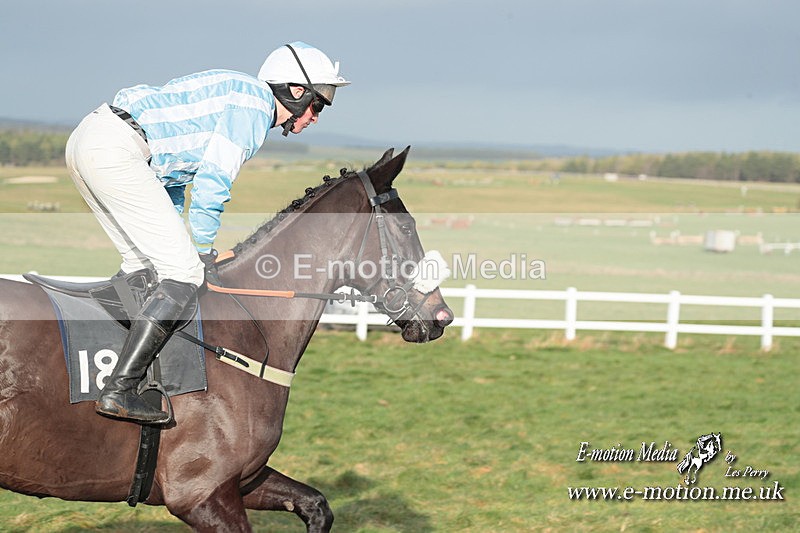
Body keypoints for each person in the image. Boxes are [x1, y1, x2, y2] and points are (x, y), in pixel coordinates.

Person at [65, 41, 349, 424]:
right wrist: (202, 249)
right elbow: (214, 183)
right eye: (318, 104)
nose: (316, 116)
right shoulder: (253, 110)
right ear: (295, 91)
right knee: (184, 273)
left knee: (141, 264)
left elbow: (175, 180)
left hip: (91, 138)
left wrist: (186, 241)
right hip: (117, 150)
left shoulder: (241, 92)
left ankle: (118, 360)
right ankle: (120, 390)